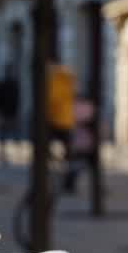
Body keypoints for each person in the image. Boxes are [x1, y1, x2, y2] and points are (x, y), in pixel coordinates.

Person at [46, 61, 77, 191]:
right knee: (69, 153)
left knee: (48, 150)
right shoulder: (68, 79)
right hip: (67, 121)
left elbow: (53, 99)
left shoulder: (56, 80)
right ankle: (69, 180)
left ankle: (61, 177)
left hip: (55, 121)